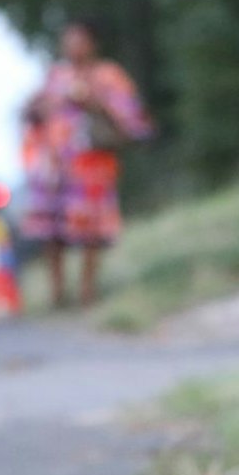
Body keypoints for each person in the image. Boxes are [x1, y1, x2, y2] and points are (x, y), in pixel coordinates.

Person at [19, 21, 153, 308]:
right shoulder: (56, 76)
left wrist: (91, 100)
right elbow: (31, 113)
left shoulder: (108, 76)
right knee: (51, 232)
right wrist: (37, 108)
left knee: (91, 233)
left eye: (79, 40)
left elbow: (133, 121)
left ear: (93, 44)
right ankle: (57, 293)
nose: (72, 47)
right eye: (68, 40)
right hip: (54, 166)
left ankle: (87, 292)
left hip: (91, 166)